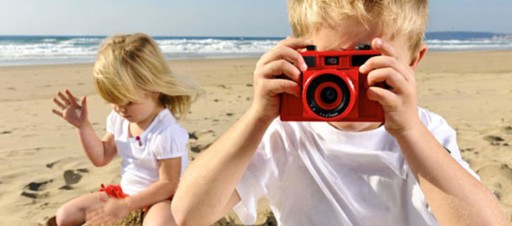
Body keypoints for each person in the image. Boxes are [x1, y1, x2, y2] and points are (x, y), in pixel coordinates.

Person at [171, 0, 506, 225]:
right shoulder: (285, 133)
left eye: (365, 61)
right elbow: (187, 214)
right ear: (297, 53)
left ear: (412, 63)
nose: (346, 81)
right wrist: (258, 116)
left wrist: (409, 132)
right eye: (329, 62)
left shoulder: (426, 131)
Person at [51, 33, 201, 226]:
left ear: (154, 87)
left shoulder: (165, 131)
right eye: (114, 101)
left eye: (128, 101)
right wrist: (83, 126)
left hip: (161, 199)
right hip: (125, 194)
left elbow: (169, 184)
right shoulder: (120, 119)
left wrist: (128, 205)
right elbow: (101, 156)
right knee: (65, 215)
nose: (120, 109)